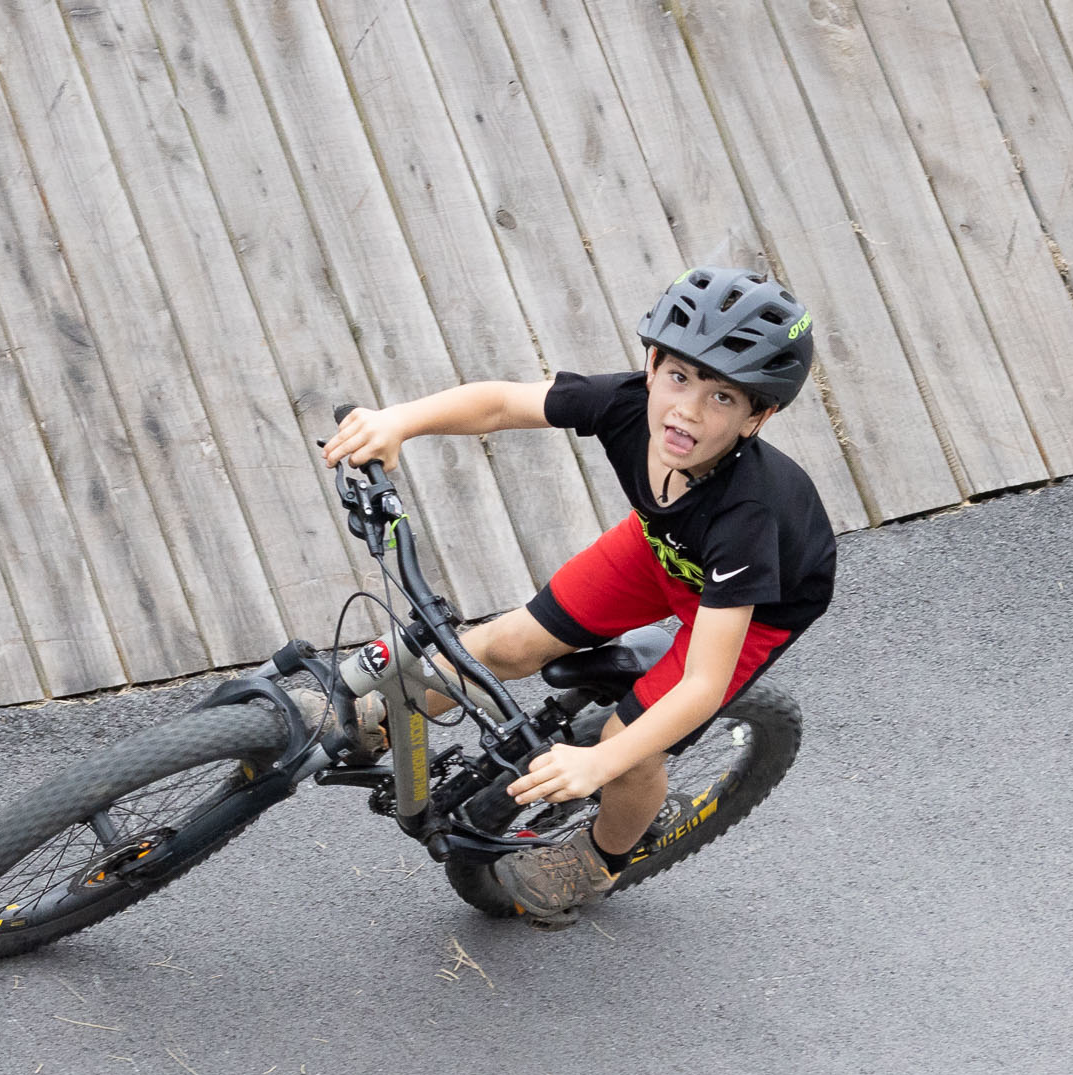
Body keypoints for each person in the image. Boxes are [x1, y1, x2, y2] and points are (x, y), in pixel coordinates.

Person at [321, 268, 835, 927]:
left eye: (722, 397)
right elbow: (501, 405)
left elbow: (703, 684)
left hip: (755, 603)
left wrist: (600, 762)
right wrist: (400, 421)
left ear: (757, 418)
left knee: (631, 747)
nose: (687, 410)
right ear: (651, 366)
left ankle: (601, 857)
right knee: (508, 644)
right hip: (663, 548)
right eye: (679, 377)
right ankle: (382, 719)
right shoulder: (625, 405)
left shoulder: (749, 517)